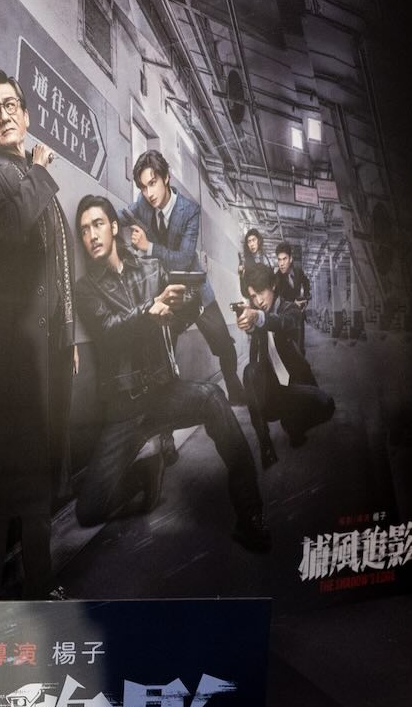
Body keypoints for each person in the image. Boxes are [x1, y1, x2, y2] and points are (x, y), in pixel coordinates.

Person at [74, 196, 270, 551]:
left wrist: (184, 304)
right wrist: (149, 311)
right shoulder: (85, 289)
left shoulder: (151, 268)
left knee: (214, 397)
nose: (92, 235)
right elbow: (109, 330)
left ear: (114, 227)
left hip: (163, 393)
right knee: (89, 510)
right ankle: (148, 472)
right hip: (124, 410)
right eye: (84, 229)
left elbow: (186, 310)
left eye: (98, 224)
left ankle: (250, 513)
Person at [0, 68, 76, 598]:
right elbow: (10, 235)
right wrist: (42, 172)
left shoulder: (32, 177)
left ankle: (41, 583)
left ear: (26, 116)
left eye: (11, 106)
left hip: (48, 347)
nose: (3, 115)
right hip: (13, 352)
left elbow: (59, 263)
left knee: (40, 472)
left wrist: (68, 336)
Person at [128, 150, 247, 407]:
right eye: (143, 187)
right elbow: (123, 213)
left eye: (152, 183)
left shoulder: (190, 210)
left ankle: (235, 389)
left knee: (225, 346)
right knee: (162, 350)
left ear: (166, 178)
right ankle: (167, 415)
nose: (148, 193)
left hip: (198, 292)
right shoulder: (143, 203)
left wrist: (148, 247)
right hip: (169, 295)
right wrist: (103, 217)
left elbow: (183, 259)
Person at [238, 262, 334, 458]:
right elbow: (256, 331)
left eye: (261, 292)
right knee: (249, 371)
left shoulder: (289, 308)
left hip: (293, 386)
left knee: (326, 405)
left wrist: (259, 318)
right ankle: (265, 444)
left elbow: (284, 322)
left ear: (273, 285)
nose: (258, 301)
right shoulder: (257, 314)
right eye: (253, 296)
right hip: (270, 391)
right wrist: (249, 325)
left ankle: (294, 423)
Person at [273, 242, 312, 355]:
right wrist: (293, 305)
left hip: (300, 316)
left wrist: (306, 297)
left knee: (300, 348)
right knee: (289, 351)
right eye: (279, 260)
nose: (281, 263)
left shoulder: (298, 271)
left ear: (290, 259)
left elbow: (306, 282)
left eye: (284, 259)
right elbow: (277, 303)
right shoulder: (276, 278)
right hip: (286, 320)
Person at [238, 228, 271, 299]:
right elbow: (244, 293)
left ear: (258, 241)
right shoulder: (246, 263)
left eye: (254, 240)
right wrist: (241, 276)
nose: (252, 244)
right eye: (249, 241)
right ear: (247, 245)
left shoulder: (266, 259)